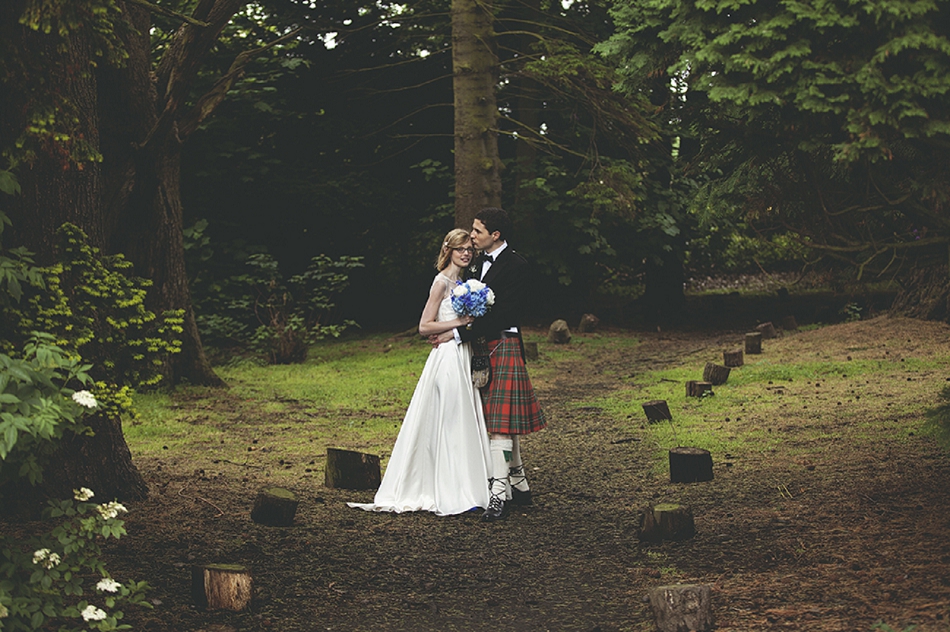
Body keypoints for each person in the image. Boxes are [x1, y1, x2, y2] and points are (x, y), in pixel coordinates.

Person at [348, 229, 492, 516]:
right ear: (448, 251)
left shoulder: (465, 283)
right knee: (451, 417)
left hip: (463, 353)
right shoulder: (441, 282)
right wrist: (459, 324)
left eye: (469, 249)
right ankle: (450, 490)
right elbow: (425, 326)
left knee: (463, 416)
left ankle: (469, 485)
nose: (466, 253)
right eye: (461, 249)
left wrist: (465, 326)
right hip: (447, 358)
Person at [433, 207, 546, 521]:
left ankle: (498, 493)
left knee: (499, 423)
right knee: (495, 419)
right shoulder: (473, 263)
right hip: (478, 347)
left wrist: (457, 333)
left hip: (503, 342)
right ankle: (518, 481)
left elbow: (505, 314)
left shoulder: (517, 266)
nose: (472, 236)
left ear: (495, 235)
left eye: (478, 231)